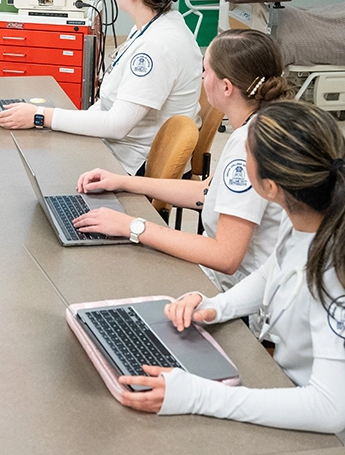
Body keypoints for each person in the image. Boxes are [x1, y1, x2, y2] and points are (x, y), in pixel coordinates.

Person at [117, 101, 345, 434]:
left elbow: (328, 409)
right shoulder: (304, 212)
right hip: (285, 384)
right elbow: (274, 270)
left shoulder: (333, 275)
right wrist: (216, 307)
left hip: (318, 427)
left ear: (269, 186)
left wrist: (198, 395)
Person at [74, 29, 291, 292]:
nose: (202, 77)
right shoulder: (267, 123)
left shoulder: (251, 145)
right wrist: (124, 182)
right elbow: (206, 191)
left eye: (206, 71)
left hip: (243, 297)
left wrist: (130, 225)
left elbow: (225, 257)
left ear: (226, 87)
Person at [0, 0, 202, 176]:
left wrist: (41, 116)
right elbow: (107, 107)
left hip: (136, 162)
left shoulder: (156, 48)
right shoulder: (159, 24)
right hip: (125, 145)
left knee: (36, 165)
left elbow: (117, 125)